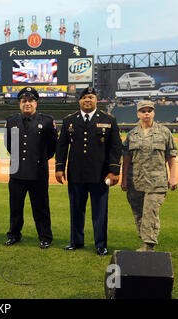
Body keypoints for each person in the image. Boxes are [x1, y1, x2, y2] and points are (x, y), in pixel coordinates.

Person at [55, 87, 122, 256]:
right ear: (79, 101)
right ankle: (76, 241)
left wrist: (114, 171)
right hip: (76, 174)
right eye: (84, 97)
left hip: (99, 174)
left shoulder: (108, 119)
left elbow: (115, 147)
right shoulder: (69, 120)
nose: (87, 100)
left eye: (90, 97)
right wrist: (59, 168)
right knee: (76, 210)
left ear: (96, 100)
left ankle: (101, 244)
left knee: (100, 212)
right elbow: (62, 146)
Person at [4, 87, 58, 248]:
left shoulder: (47, 121)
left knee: (41, 207)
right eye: (23, 101)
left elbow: (52, 147)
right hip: (16, 171)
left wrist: (39, 159)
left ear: (36, 103)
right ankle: (14, 234)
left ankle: (45, 237)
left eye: (30, 100)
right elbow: (8, 145)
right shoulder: (11, 121)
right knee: (15, 207)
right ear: (20, 104)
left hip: (38, 172)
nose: (27, 103)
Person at [121, 100, 178, 252]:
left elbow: (171, 156)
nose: (146, 113)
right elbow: (126, 158)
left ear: (153, 112)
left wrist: (173, 177)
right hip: (136, 181)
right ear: (138, 114)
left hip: (157, 181)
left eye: (149, 110)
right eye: (143, 111)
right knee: (138, 212)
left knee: (150, 212)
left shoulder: (164, 132)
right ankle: (145, 236)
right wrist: (124, 179)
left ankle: (148, 244)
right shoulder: (132, 134)